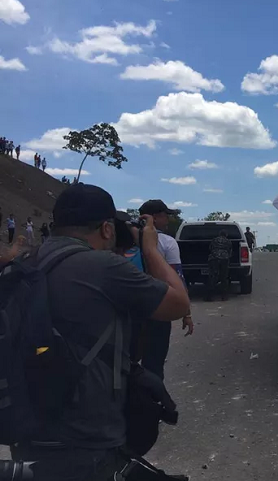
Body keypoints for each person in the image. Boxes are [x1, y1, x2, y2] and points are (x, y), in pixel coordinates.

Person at [9, 183, 191, 481]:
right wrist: (149, 246)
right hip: (88, 437)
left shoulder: (25, 263)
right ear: (107, 229)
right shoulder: (103, 267)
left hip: (29, 431)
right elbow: (178, 304)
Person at [137, 199, 193, 381]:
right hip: (157, 306)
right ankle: (152, 401)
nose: (168, 220)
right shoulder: (167, 242)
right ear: (153, 218)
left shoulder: (125, 237)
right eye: (164, 215)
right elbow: (177, 277)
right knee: (153, 362)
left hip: (127, 307)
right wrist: (186, 311)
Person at [206, 230, 232, 301]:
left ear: (219, 234)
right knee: (224, 277)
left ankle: (209, 296)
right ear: (226, 235)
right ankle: (224, 296)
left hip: (214, 259)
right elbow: (229, 250)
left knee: (213, 277)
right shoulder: (228, 241)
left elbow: (210, 248)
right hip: (224, 259)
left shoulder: (214, 240)